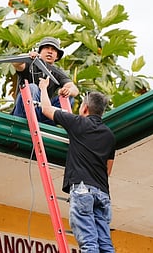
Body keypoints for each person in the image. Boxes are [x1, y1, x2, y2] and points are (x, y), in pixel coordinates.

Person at [39, 76, 116, 253]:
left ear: (85, 108)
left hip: (82, 189)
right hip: (103, 194)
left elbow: (45, 109)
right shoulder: (109, 135)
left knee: (89, 244)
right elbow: (108, 170)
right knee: (105, 245)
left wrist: (44, 88)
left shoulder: (77, 123)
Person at [11, 37, 79, 125]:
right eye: (47, 48)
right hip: (23, 113)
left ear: (57, 56)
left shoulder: (57, 72)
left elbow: (74, 89)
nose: (50, 51)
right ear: (39, 52)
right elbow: (15, 63)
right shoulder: (30, 64)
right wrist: (27, 56)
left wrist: (67, 91)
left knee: (68, 97)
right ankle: (31, 118)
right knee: (32, 88)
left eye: (53, 50)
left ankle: (49, 122)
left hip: (43, 114)